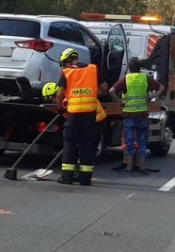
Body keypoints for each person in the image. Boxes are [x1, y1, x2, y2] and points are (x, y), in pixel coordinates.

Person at [54, 47, 107, 186]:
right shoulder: (92, 69)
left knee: (70, 143)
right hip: (90, 114)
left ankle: (67, 177)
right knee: (87, 144)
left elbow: (59, 94)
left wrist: (60, 108)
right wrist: (92, 93)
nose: (64, 66)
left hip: (73, 113)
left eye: (64, 63)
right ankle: (85, 179)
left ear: (69, 60)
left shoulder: (67, 72)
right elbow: (105, 88)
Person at [111, 59, 159, 174]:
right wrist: (151, 97)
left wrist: (120, 102)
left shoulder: (126, 79)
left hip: (129, 115)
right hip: (142, 114)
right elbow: (161, 88)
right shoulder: (145, 78)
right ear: (140, 68)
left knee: (129, 142)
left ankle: (129, 167)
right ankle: (141, 167)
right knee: (142, 142)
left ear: (129, 68)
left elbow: (111, 90)